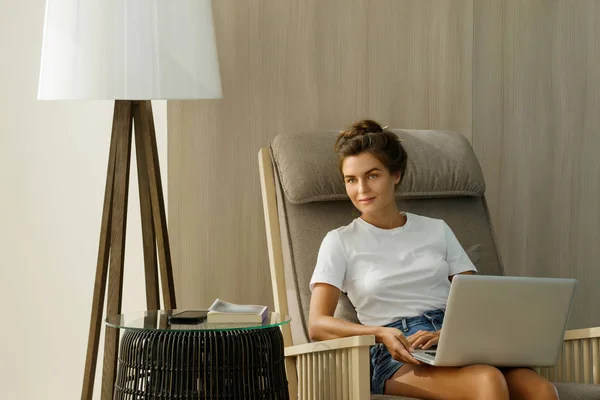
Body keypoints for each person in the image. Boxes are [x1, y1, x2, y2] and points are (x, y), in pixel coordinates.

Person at [308, 120, 558, 399]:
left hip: (456, 335)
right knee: (487, 381)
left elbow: (476, 301)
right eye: (351, 180)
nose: (362, 189)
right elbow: (317, 324)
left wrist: (448, 334)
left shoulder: (436, 229)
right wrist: (379, 333)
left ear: (396, 175)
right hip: (397, 348)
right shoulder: (339, 241)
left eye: (373, 175)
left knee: (541, 390)